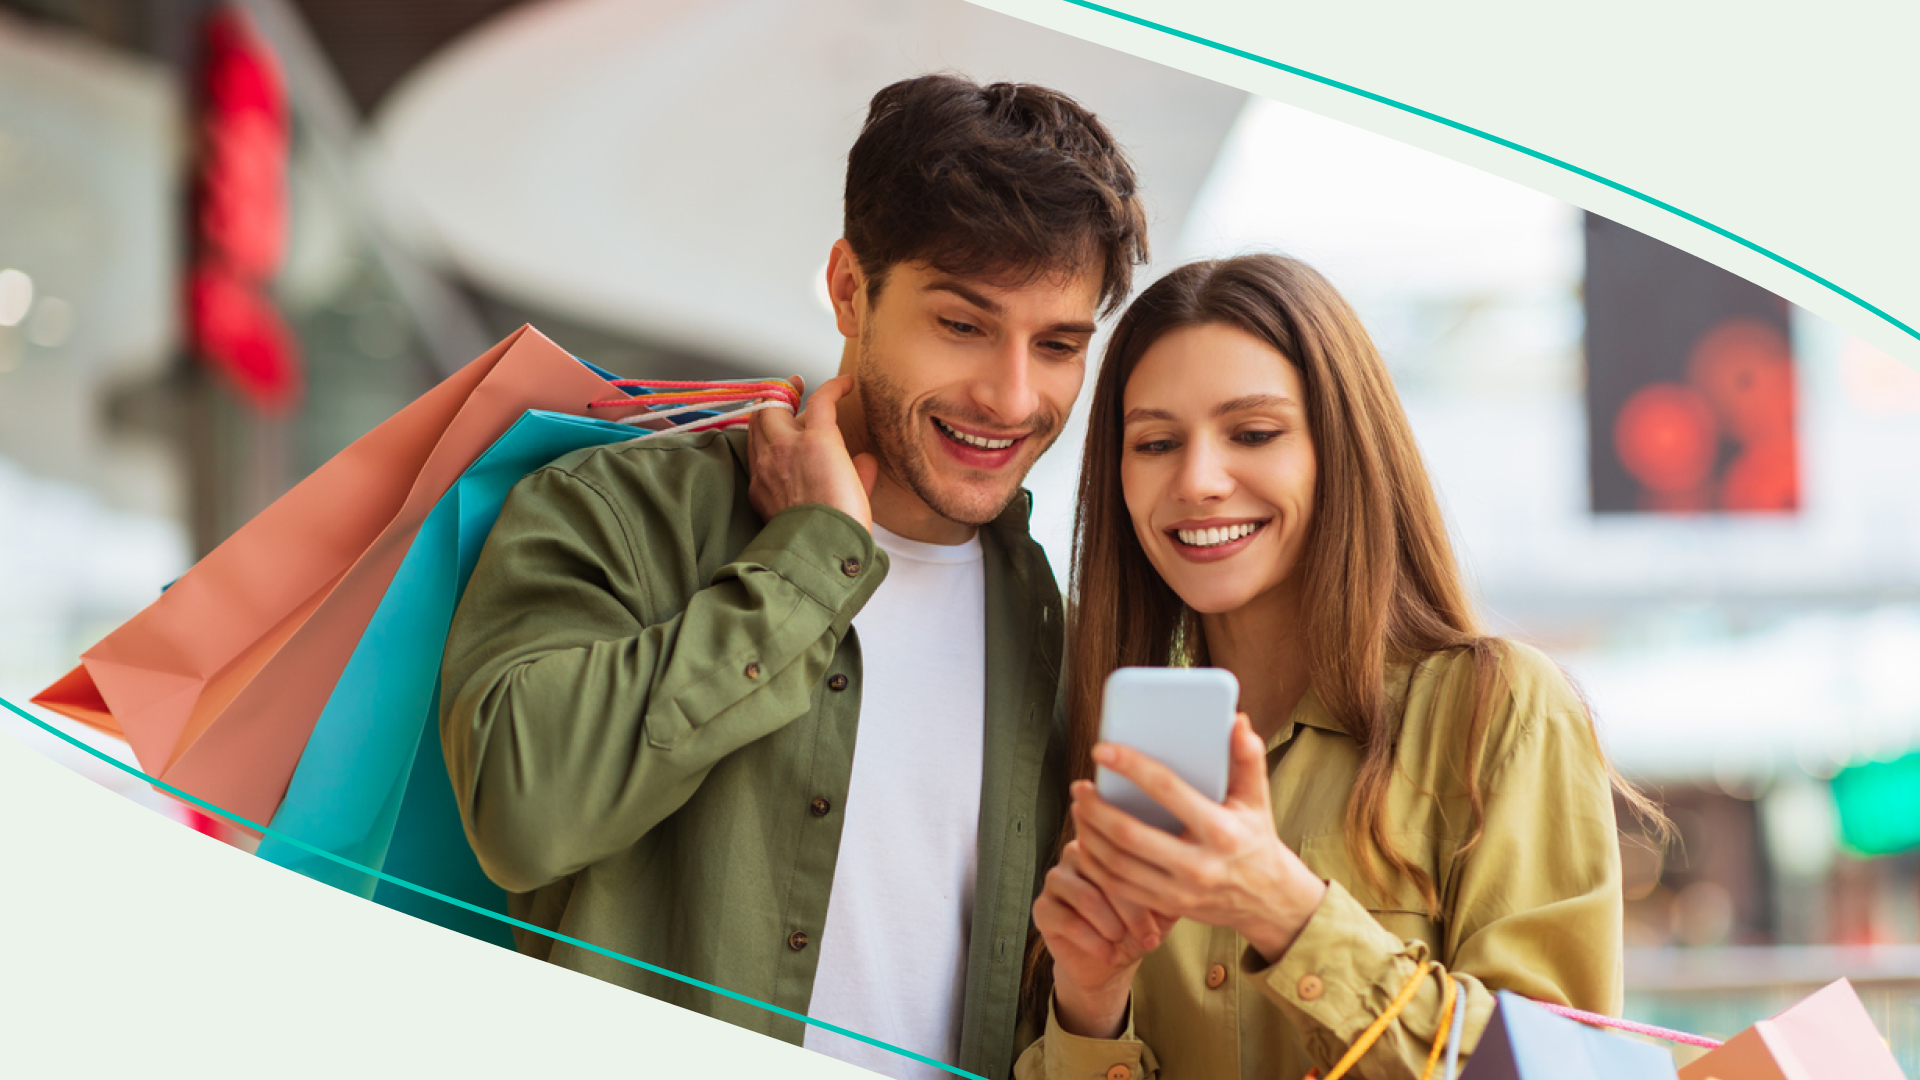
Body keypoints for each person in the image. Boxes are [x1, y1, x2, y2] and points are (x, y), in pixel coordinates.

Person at [438, 75, 1148, 1080]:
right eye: (963, 324)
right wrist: (807, 567)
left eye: (1060, 345)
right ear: (851, 287)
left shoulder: (1063, 639)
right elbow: (523, 809)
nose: (1012, 395)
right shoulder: (617, 511)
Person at [1014, 255, 1662, 1080]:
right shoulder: (1107, 746)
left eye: (1253, 433)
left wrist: (1284, 910)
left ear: (1343, 452)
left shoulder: (1497, 710)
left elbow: (1557, 1071)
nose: (1197, 480)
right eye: (1155, 442)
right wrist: (1091, 1003)